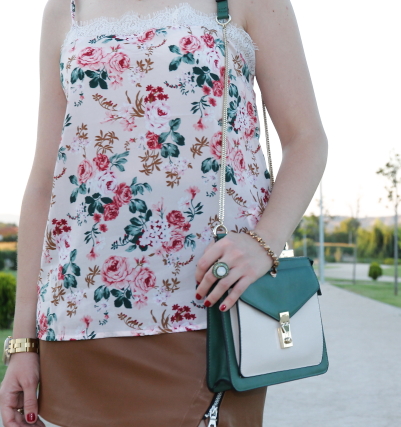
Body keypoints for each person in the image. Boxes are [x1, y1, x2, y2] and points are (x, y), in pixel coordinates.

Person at [0, 0, 327, 425]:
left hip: (210, 308)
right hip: (77, 319)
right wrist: (22, 343)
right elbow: (45, 179)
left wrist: (264, 242)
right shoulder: (66, 8)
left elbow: (306, 139)